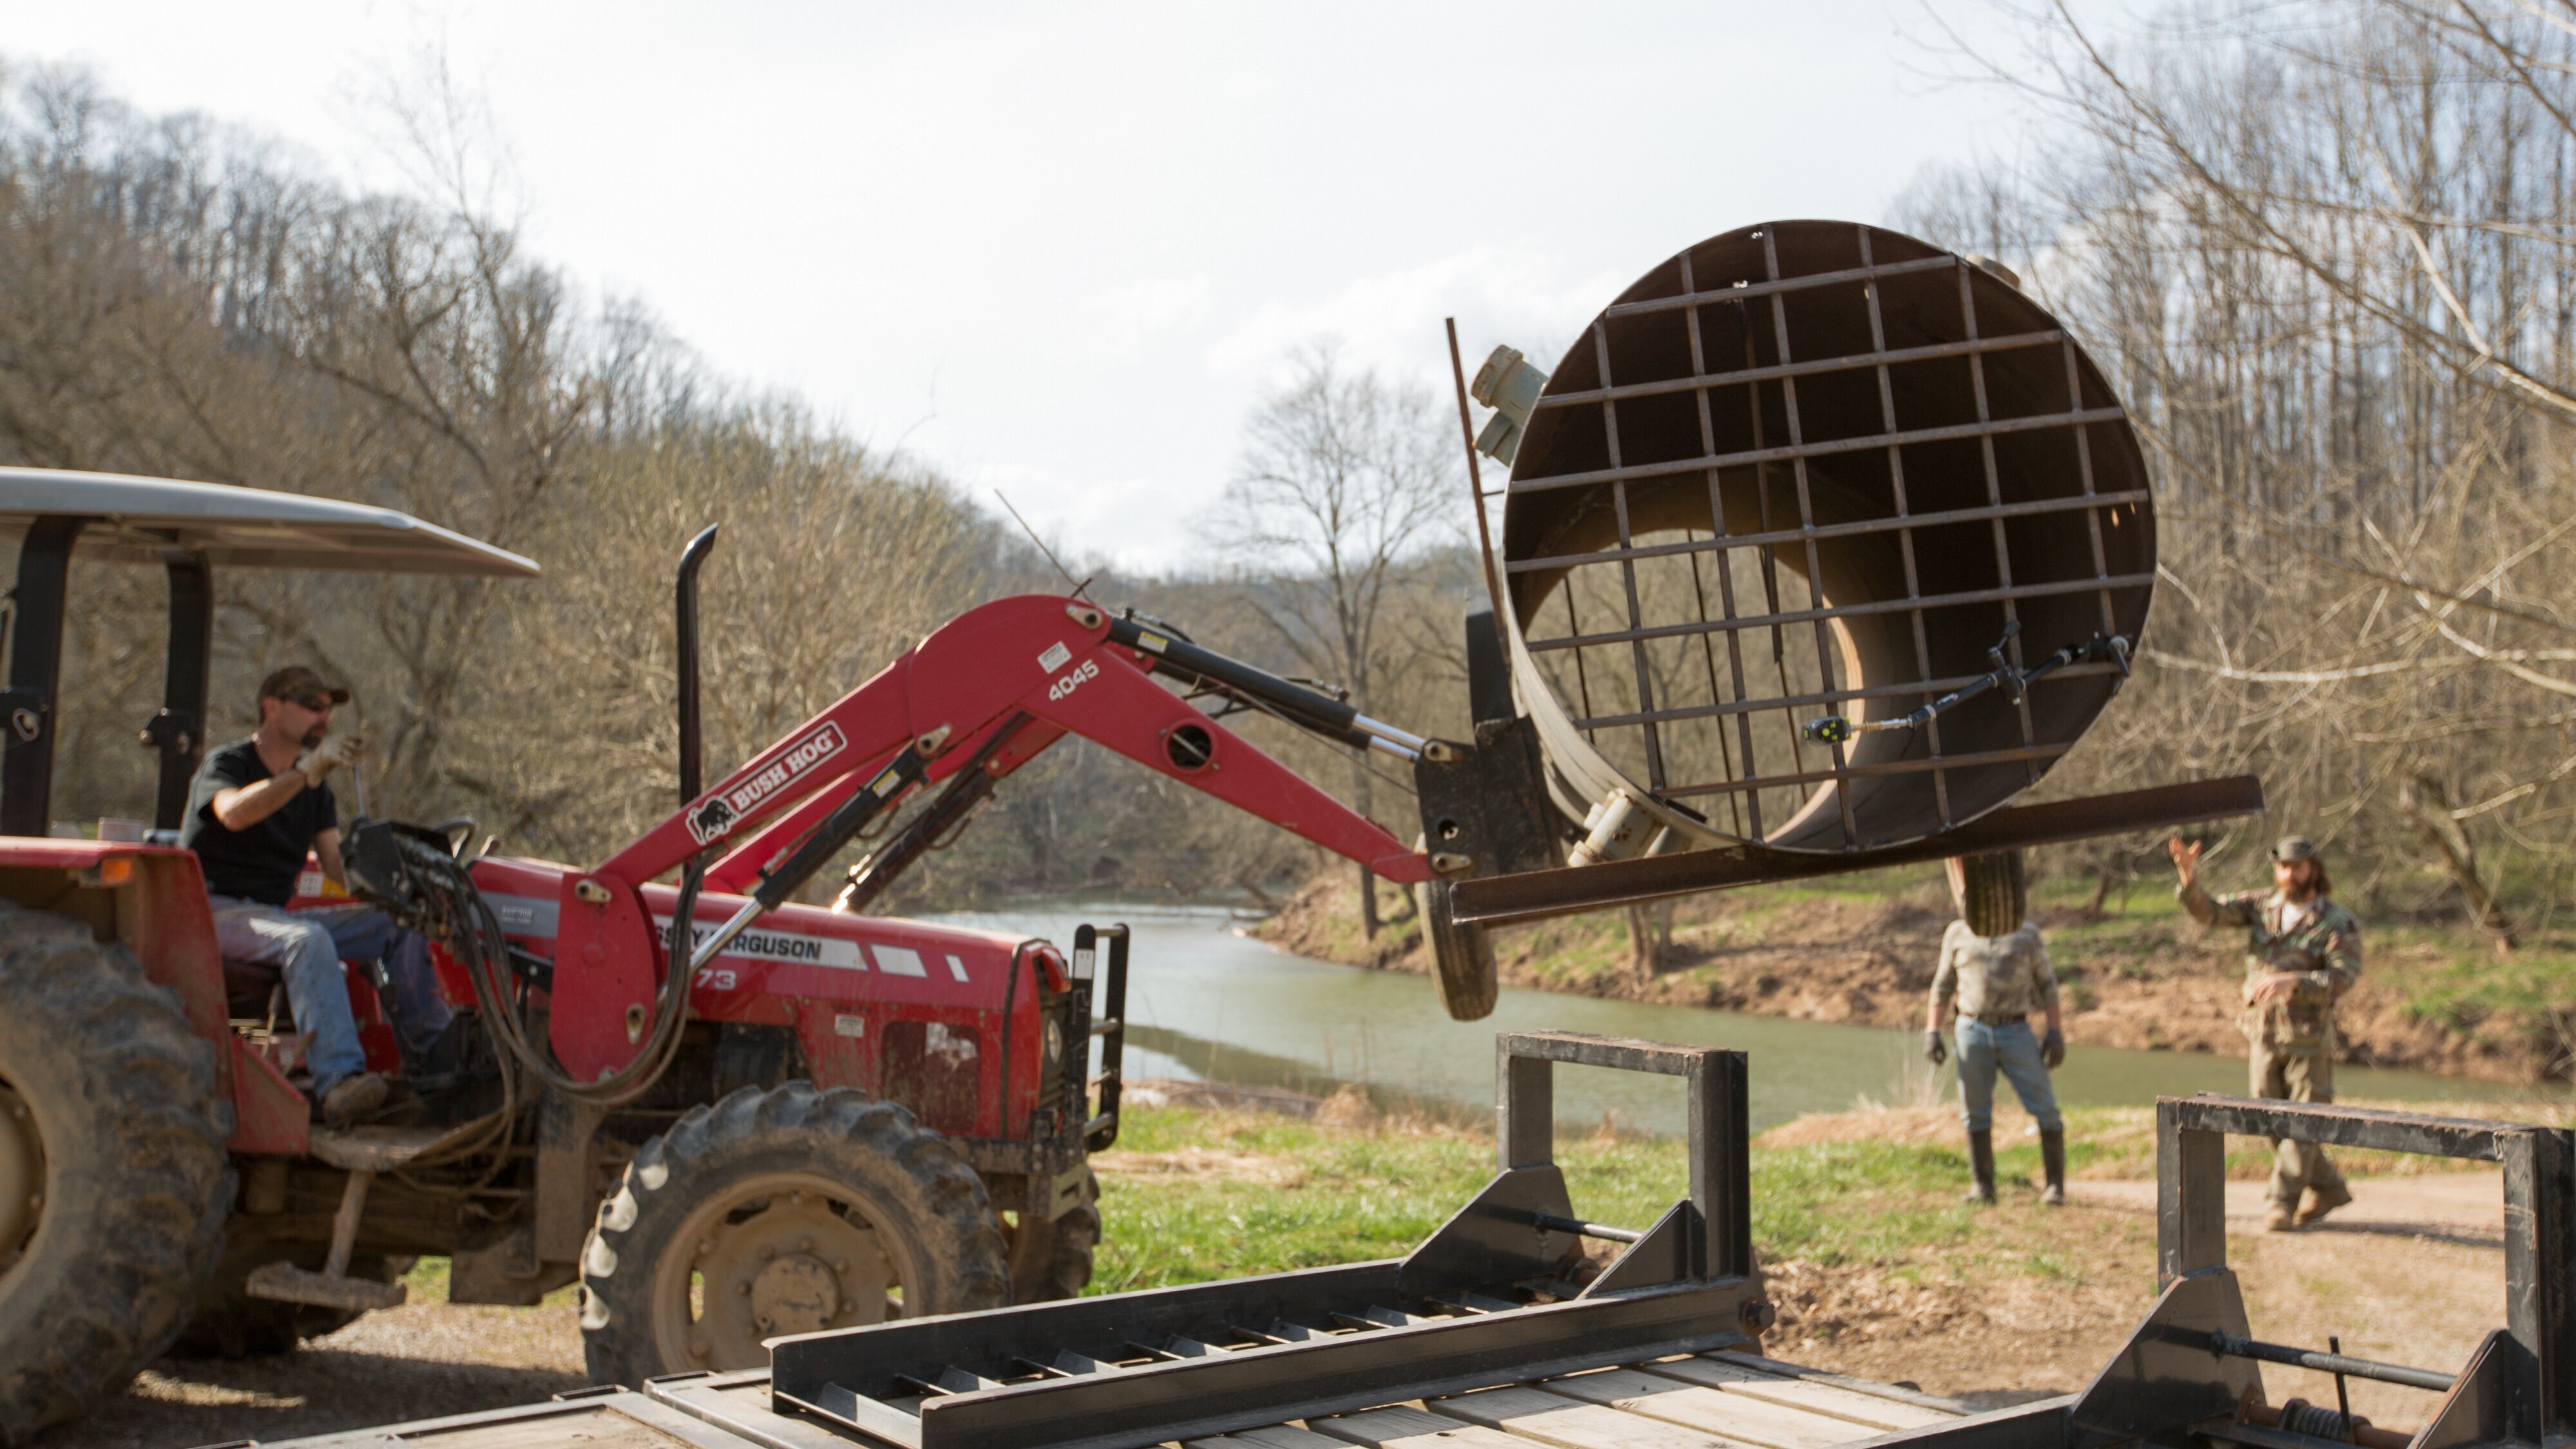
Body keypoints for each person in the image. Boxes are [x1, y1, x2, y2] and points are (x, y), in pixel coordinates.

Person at [182, 667, 452, 1126]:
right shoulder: (227, 765)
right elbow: (235, 815)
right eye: (311, 705)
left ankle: (438, 1067)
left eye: (328, 709)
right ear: (272, 707)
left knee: (395, 926)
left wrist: (401, 879)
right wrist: (306, 772)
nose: (323, 717)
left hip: (269, 916)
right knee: (305, 940)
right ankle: (340, 1082)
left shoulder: (316, 793)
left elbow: (336, 872)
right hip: (213, 911)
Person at [2169, 833, 2361, 1231]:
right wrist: (2189, 879)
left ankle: (2281, 1203)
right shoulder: (2261, 907)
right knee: (2269, 1118)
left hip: (2308, 1039)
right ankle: (2328, 1187)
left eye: (2298, 867)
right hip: (2264, 1033)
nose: (2290, 874)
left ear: (2313, 869)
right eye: (2283, 867)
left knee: (2304, 1121)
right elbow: (2211, 913)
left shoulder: (2334, 921)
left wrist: (2296, 981)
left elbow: (2344, 977)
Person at [1924, 850, 2068, 1206]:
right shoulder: (1957, 933)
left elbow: (2048, 984)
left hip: (2016, 1031)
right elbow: (1942, 985)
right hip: (1971, 1029)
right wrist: (1932, 1031)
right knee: (1975, 1111)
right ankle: (1983, 1187)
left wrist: (2054, 1030)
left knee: (2045, 1107)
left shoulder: (2026, 933)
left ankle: (2055, 1187)